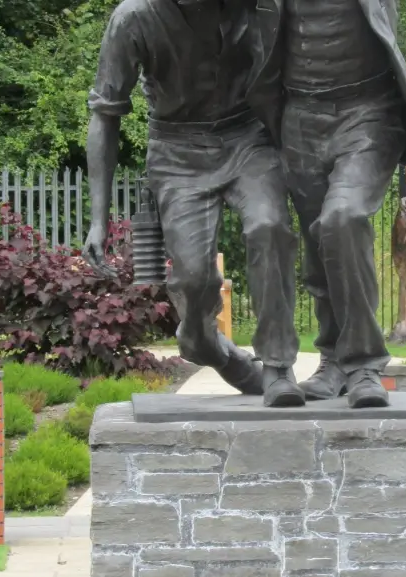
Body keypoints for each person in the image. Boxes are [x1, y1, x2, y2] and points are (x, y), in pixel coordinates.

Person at [83, 0, 305, 407]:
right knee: (194, 280)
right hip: (176, 150)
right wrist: (98, 220)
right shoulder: (133, 18)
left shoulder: (255, 6)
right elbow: (104, 115)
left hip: (247, 138)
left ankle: (277, 366)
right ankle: (210, 348)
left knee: (269, 226)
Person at [248, 0, 406, 408]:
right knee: (319, 241)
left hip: (368, 112)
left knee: (343, 218)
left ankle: (363, 364)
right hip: (300, 117)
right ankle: (333, 360)